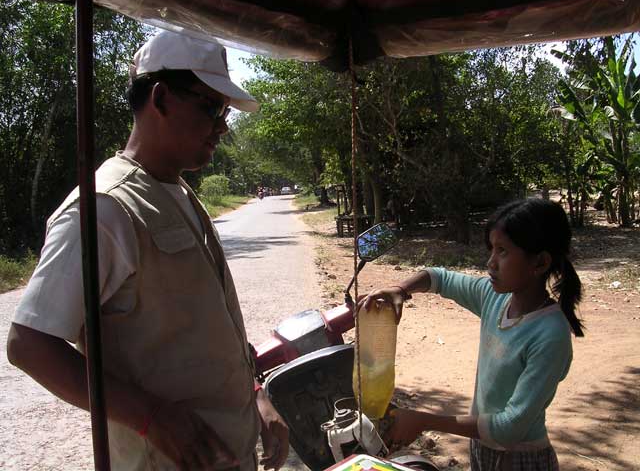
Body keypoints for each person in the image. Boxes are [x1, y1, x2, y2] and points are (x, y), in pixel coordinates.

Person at [7, 31, 289, 471]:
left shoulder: (178, 192)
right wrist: (152, 419)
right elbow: (29, 344)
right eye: (211, 107)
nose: (222, 126)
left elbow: (203, 331)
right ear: (160, 98)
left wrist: (255, 395)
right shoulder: (104, 208)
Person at [358, 198, 584, 470]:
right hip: (482, 445)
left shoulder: (550, 335)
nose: (491, 263)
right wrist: (400, 289)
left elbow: (509, 427)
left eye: (502, 251)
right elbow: (438, 277)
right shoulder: (495, 298)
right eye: (491, 249)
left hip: (521, 458)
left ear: (540, 262)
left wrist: (424, 419)